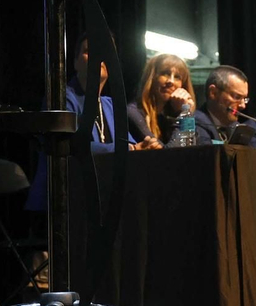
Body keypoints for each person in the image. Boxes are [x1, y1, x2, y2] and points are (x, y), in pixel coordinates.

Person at [26, 34, 158, 212]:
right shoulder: (61, 97)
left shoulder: (110, 104)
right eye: (89, 51)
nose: (98, 57)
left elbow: (129, 143)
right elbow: (69, 145)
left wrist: (146, 146)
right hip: (61, 202)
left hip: (98, 199)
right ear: (75, 62)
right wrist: (131, 149)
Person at [127, 52, 195, 143]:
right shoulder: (134, 112)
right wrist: (185, 115)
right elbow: (167, 154)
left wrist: (183, 114)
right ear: (151, 78)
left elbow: (191, 150)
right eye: (165, 74)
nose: (171, 81)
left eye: (177, 77)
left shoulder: (169, 115)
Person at [192, 65, 256, 146]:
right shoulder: (195, 124)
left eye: (244, 99)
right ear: (213, 93)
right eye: (237, 97)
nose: (243, 105)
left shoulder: (236, 128)